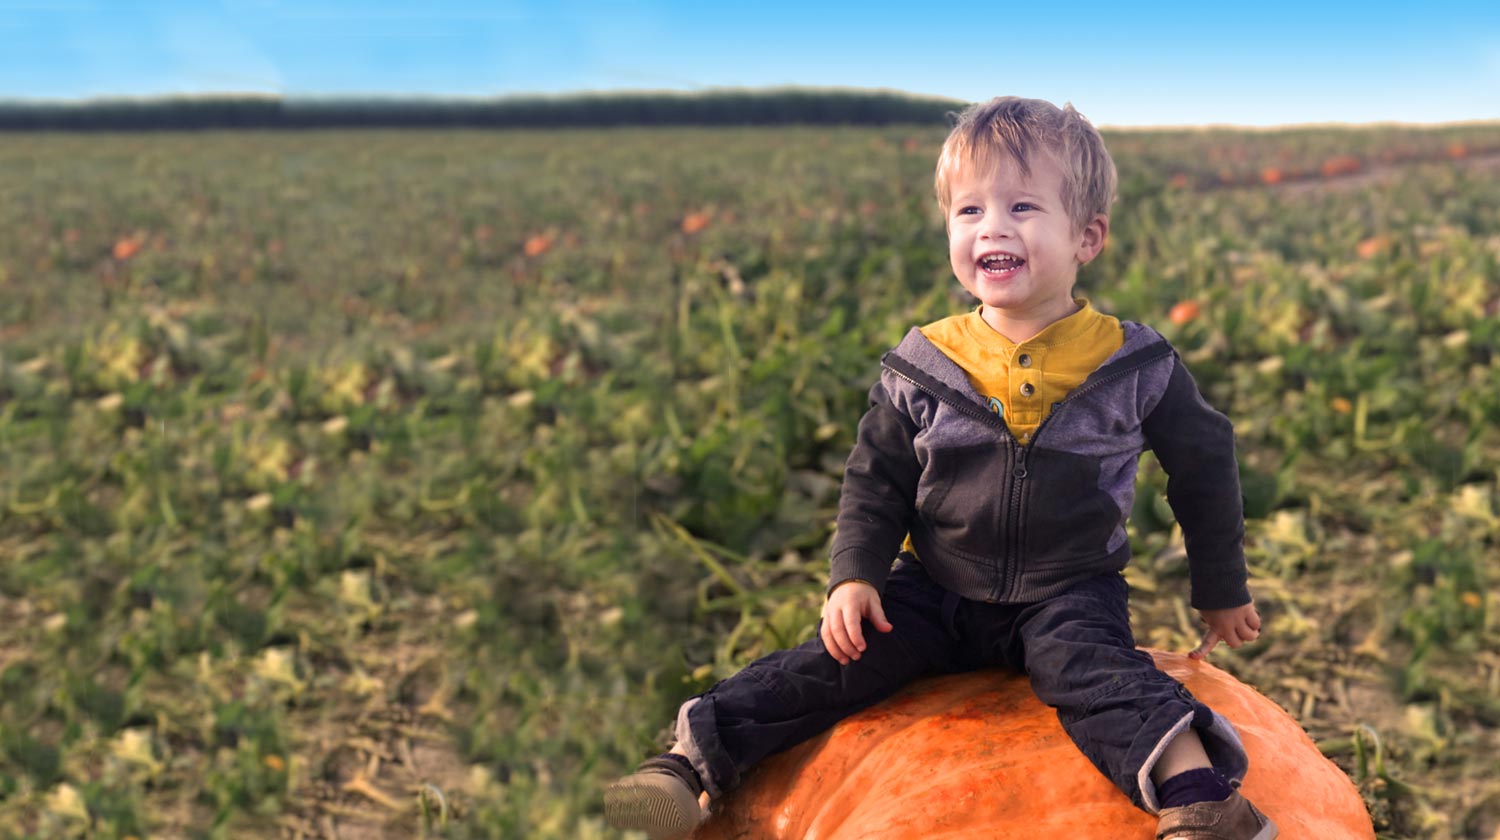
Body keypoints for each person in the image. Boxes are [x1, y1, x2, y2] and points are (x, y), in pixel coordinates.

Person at [604, 96, 1276, 840]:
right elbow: (876, 478)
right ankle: (688, 764)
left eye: (1022, 207)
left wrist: (1220, 590)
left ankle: (1204, 799)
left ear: (1088, 237)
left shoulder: (1134, 362)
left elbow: (1204, 469)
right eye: (969, 211)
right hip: (936, 586)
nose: (992, 227)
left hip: (1068, 591)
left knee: (1103, 680)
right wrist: (854, 575)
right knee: (827, 664)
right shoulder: (928, 361)